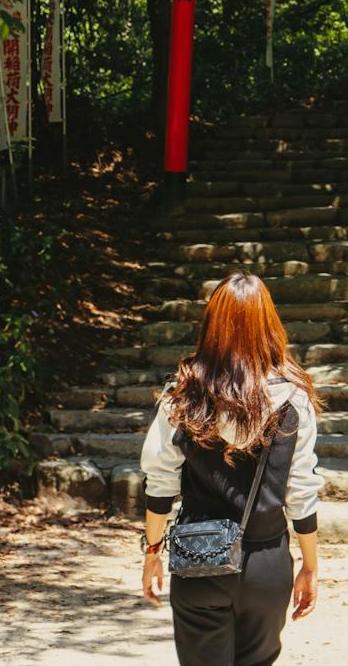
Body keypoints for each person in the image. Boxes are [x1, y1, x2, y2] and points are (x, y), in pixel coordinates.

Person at [139, 271, 322, 665]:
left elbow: (160, 484)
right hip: (267, 561)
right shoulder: (294, 398)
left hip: (198, 560)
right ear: (269, 325)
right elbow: (301, 492)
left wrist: (152, 550)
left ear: (211, 325)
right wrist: (310, 565)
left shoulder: (182, 396)